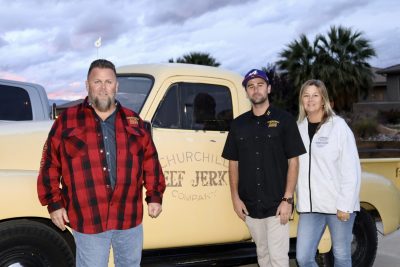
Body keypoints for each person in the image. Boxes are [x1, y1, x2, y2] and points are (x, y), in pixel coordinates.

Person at [37, 59, 166, 267]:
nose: (103, 88)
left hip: (129, 217)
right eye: (97, 82)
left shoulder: (134, 121)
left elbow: (150, 160)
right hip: (89, 217)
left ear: (117, 86)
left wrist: (154, 196)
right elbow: (50, 164)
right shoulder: (67, 121)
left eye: (109, 82)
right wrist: (54, 203)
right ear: (87, 85)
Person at [222, 69, 306, 267]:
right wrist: (235, 198)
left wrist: (287, 199)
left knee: (278, 259)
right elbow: (233, 163)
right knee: (263, 256)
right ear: (247, 92)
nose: (255, 89)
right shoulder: (238, 125)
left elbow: (293, 161)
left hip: (277, 204)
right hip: (251, 205)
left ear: (268, 88)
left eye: (260, 85)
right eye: (250, 86)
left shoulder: (285, 120)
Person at [295, 79, 361, 267]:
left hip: (337, 206)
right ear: (301, 100)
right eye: (306, 95)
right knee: (303, 257)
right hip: (309, 207)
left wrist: (345, 205)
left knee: (341, 256)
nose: (310, 100)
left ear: (323, 99)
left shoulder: (338, 127)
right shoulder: (298, 128)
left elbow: (351, 169)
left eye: (315, 95)